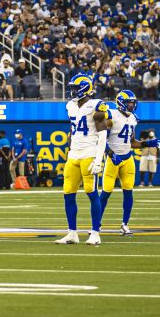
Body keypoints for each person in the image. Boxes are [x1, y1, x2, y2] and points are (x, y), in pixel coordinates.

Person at [55, 73, 107, 246]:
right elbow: (73, 130)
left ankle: (95, 232)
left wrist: (99, 159)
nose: (72, 91)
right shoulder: (71, 105)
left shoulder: (96, 105)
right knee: (68, 193)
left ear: (85, 88)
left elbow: (102, 134)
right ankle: (72, 233)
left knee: (92, 194)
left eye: (75, 88)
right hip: (74, 155)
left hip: (89, 153)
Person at [99, 91, 160, 236]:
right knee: (106, 193)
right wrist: (111, 154)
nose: (131, 105)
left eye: (133, 103)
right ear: (121, 103)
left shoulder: (133, 118)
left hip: (127, 160)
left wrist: (146, 143)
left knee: (128, 192)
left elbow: (132, 142)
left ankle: (125, 224)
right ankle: (96, 224)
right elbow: (100, 139)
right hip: (113, 160)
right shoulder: (111, 115)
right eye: (129, 103)